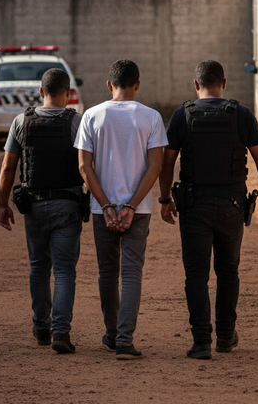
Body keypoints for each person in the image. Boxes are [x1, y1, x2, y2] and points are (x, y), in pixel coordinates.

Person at [159, 60, 258, 360]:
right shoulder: (241, 114)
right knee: (228, 273)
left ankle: (201, 342)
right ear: (223, 83)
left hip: (194, 206)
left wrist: (164, 199)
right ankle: (225, 337)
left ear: (195, 85)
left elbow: (167, 161)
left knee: (196, 276)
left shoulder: (181, 116)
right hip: (232, 206)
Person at [74, 59, 167, 360]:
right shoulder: (151, 117)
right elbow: (155, 167)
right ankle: (125, 340)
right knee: (131, 272)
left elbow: (84, 167)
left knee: (107, 273)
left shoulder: (91, 115)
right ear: (137, 84)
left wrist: (106, 204)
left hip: (102, 209)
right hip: (137, 210)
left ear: (109, 85)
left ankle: (112, 334)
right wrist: (130, 205)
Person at [0, 68, 85, 355]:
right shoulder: (76, 122)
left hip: (33, 205)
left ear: (40, 92)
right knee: (63, 271)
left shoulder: (21, 121)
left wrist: (2, 204)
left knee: (39, 267)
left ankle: (41, 329)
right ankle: (61, 331)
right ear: (68, 92)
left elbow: (8, 167)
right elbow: (88, 165)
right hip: (67, 206)